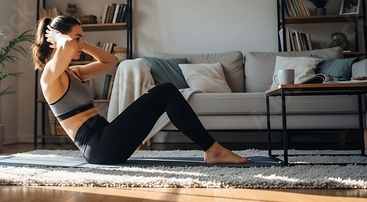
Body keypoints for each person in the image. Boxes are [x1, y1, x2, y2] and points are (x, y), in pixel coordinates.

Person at [31, 15, 250, 165]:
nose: (79, 44)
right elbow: (68, 46)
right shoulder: (50, 76)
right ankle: (213, 150)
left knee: (166, 93)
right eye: (78, 38)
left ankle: (212, 150)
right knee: (165, 91)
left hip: (107, 141)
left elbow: (111, 60)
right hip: (98, 147)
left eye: (82, 38)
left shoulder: (74, 72)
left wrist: (82, 43)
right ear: (56, 41)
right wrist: (63, 39)